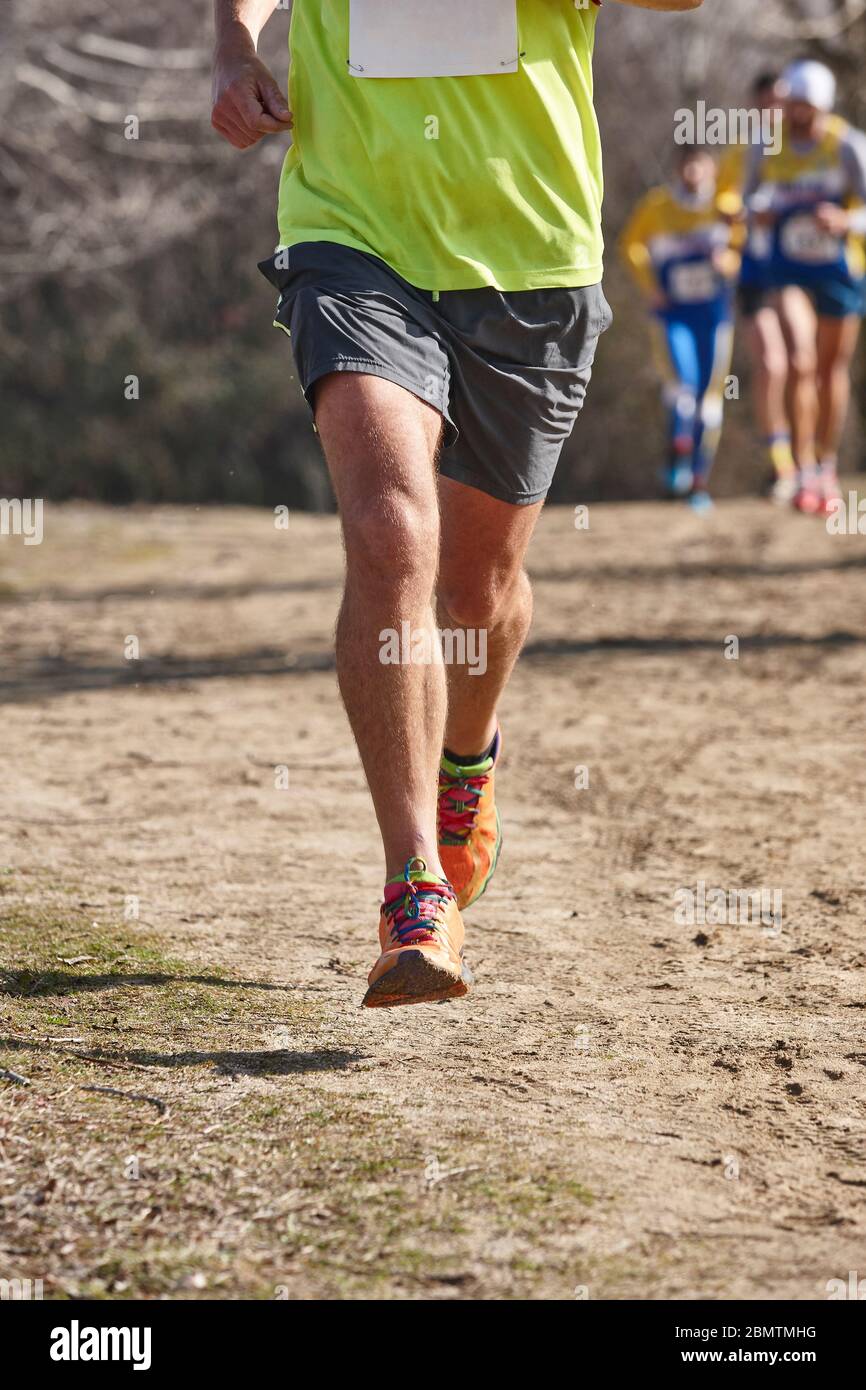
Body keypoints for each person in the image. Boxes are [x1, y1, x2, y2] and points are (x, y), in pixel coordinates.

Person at [211, 0, 705, 1008]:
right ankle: (412, 888)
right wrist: (233, 42)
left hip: (529, 259)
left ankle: (466, 758)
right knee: (390, 532)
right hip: (351, 239)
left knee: (476, 595)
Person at [743, 59, 866, 515]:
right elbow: (747, 199)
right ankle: (802, 467)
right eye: (793, 105)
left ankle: (827, 466)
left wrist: (845, 220)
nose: (798, 116)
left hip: (839, 270)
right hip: (786, 268)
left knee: (833, 369)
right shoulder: (767, 145)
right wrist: (760, 211)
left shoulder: (846, 146)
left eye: (807, 108)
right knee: (800, 358)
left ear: (823, 108)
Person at [619, 145, 739, 511]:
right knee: (681, 389)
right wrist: (650, 287)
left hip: (714, 317)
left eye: (700, 167)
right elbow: (629, 245)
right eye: (687, 167)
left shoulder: (726, 208)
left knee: (710, 400)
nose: (693, 174)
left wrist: (728, 261)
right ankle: (676, 467)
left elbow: (746, 250)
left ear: (712, 170)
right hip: (673, 316)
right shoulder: (657, 206)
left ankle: (698, 482)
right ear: (678, 169)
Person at [718, 73, 799, 502]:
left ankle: (812, 459)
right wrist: (745, 212)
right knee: (772, 364)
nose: (774, 112)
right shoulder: (741, 150)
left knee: (804, 361)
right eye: (766, 103)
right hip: (754, 268)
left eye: (781, 103)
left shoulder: (808, 149)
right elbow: (724, 199)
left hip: (802, 270)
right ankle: (780, 464)